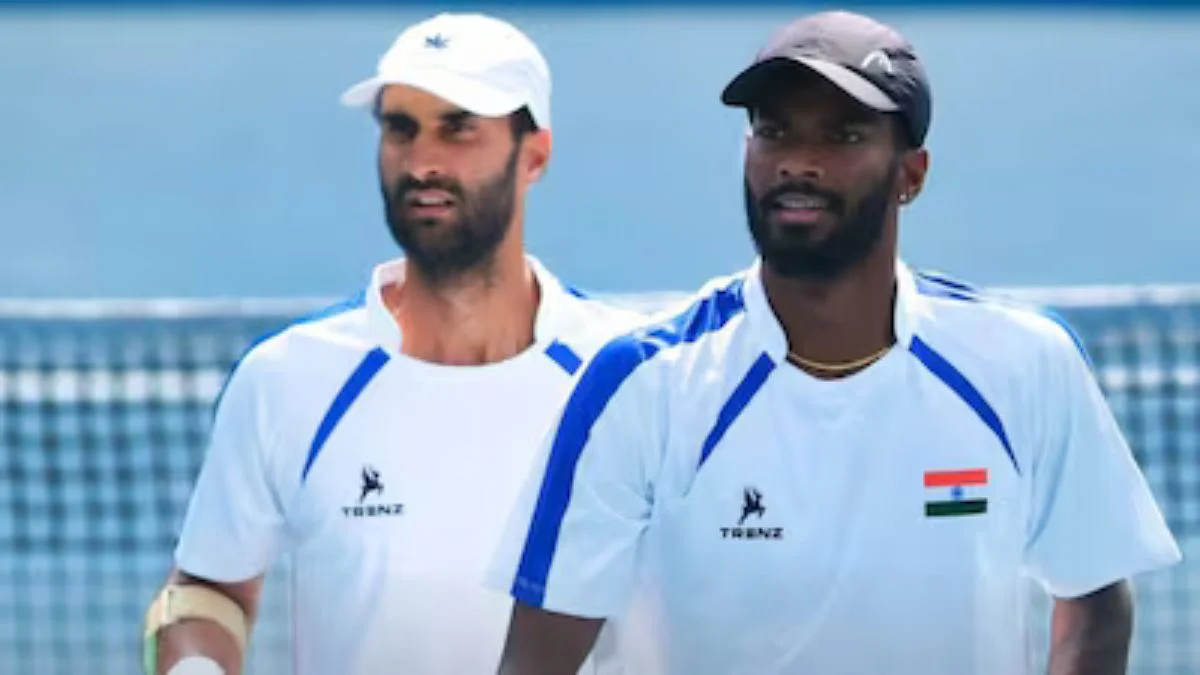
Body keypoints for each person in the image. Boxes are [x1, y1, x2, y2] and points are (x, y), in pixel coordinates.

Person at [488, 10, 1182, 675]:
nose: (799, 162)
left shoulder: (1027, 364)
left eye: (843, 136)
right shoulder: (638, 384)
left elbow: (1095, 601)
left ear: (911, 174)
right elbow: (532, 662)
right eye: (774, 131)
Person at [141, 12, 644, 675]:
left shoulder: (633, 378)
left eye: (458, 127)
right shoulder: (285, 380)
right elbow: (206, 593)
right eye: (400, 128)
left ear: (535, 156)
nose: (423, 161)